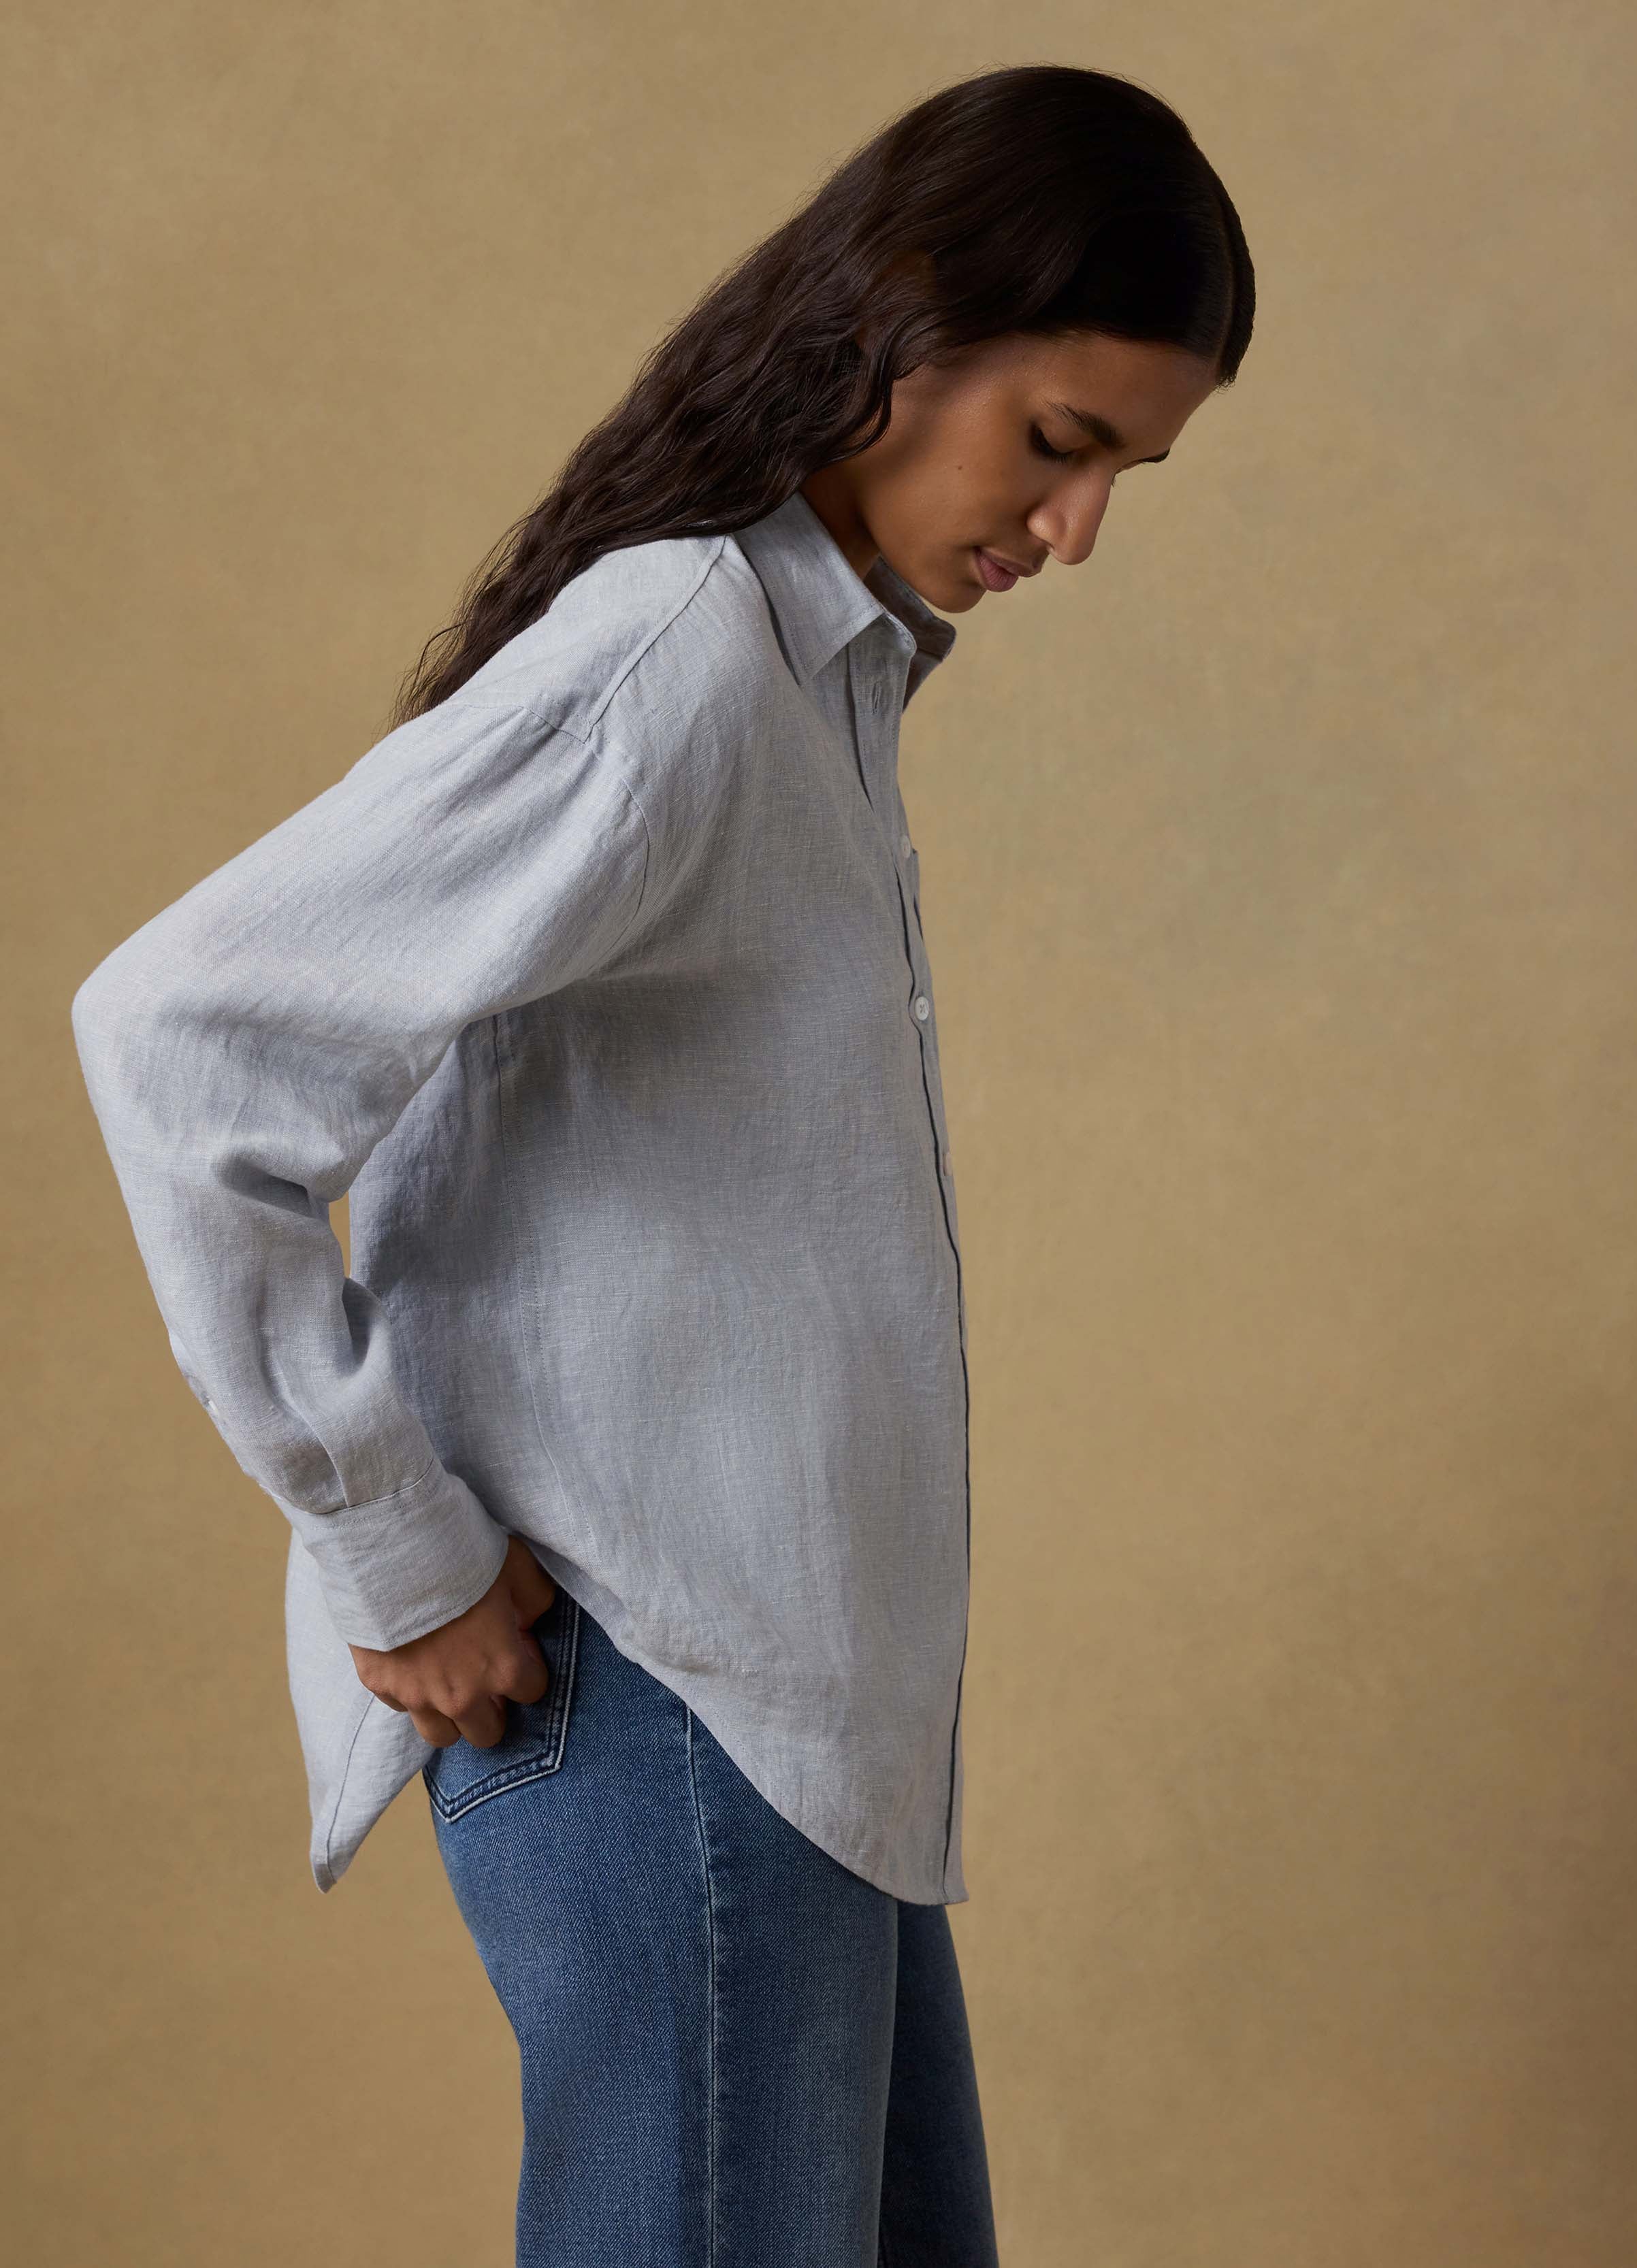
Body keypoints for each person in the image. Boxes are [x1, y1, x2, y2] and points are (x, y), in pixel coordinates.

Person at [71, 59, 1254, 2268]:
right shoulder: (676, 667)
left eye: (1125, 475)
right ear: (903, 331)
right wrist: (398, 1556)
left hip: (797, 1731)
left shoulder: (816, 677)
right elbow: (177, 1032)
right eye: (1058, 443)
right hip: (670, 1705)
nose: (1075, 531)